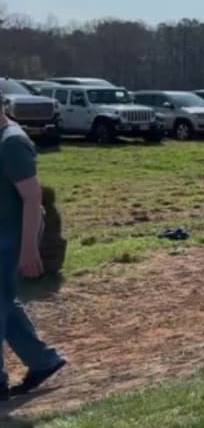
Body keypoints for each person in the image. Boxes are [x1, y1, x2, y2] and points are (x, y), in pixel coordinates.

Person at [0, 95, 67, 400]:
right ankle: (42, 361)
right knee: (5, 305)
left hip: (11, 238)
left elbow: (32, 199)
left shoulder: (12, 144)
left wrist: (29, 250)